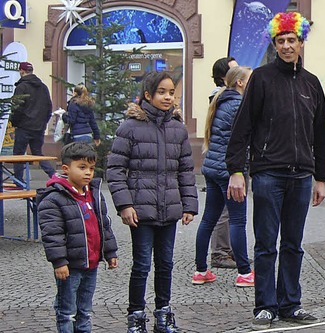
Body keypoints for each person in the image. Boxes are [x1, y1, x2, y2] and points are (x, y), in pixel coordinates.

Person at [226, 12, 325, 330]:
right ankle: (265, 306)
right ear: (275, 43)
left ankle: (290, 304)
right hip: (268, 173)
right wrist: (236, 170)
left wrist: (321, 178)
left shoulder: (312, 83)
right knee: (267, 243)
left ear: (301, 43)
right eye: (281, 40)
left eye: (292, 40)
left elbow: (321, 133)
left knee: (293, 244)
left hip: (301, 176)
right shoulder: (261, 78)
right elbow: (242, 126)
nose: (286, 45)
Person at [107, 71, 198, 333]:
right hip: (141, 209)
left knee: (166, 264)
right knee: (142, 264)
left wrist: (189, 204)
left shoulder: (178, 129)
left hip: (169, 208)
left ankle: (163, 314)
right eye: (162, 92)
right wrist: (125, 205)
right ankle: (136, 315)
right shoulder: (130, 127)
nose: (168, 97)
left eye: (171, 92)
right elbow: (115, 170)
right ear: (148, 95)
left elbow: (184, 170)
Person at [37, 142, 118, 333]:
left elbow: (104, 225)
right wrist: (59, 262)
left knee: (85, 310)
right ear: (66, 169)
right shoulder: (54, 198)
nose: (88, 173)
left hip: (91, 263)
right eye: (82, 167)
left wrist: (110, 252)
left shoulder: (94, 195)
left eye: (91, 168)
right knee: (67, 311)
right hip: (70, 266)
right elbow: (52, 234)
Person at [195, 66, 254, 287]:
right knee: (238, 220)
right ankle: (245, 273)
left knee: (209, 219)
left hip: (213, 168)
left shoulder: (221, 101)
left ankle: (200, 270)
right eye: (250, 79)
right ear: (240, 82)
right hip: (230, 171)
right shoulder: (238, 105)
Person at [208, 56, 240, 270]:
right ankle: (219, 252)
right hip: (225, 162)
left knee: (222, 210)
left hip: (222, 160)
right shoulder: (226, 99)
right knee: (224, 211)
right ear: (224, 77)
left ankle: (227, 250)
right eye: (234, 70)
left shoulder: (224, 98)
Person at [10, 61, 56, 186]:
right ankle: (53, 175)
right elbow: (48, 107)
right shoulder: (43, 87)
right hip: (38, 128)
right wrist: (43, 123)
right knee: (38, 153)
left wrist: (13, 123)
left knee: (18, 155)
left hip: (23, 127)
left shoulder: (21, 87)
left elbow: (17, 108)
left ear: (21, 71)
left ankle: (19, 182)